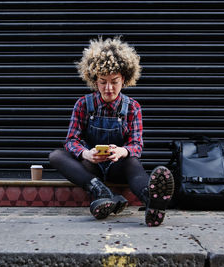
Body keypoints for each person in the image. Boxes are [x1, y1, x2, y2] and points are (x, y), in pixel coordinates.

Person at [49, 36, 174, 227]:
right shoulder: (83, 104)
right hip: (91, 168)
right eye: (103, 82)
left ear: (124, 79)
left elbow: (137, 145)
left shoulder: (133, 107)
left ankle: (151, 201)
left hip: (119, 167)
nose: (108, 88)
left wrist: (123, 151)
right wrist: (86, 153)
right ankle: (101, 192)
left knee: (132, 161)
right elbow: (71, 140)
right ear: (94, 81)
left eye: (114, 81)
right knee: (56, 155)